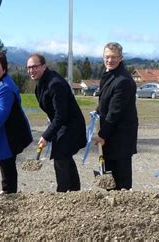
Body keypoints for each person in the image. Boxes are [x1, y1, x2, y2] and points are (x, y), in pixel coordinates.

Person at [27, 53, 85, 192]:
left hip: (71, 126)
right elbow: (53, 111)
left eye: (35, 67)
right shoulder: (41, 83)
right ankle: (75, 191)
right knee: (65, 156)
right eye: (28, 68)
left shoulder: (55, 83)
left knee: (60, 156)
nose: (31, 70)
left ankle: (62, 194)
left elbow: (61, 115)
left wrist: (46, 135)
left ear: (44, 66)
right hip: (62, 124)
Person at [0, 52, 32, 194]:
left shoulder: (5, 87)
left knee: (7, 163)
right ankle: (7, 191)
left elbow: (2, 113)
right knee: (3, 162)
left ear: (4, 68)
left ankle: (10, 194)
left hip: (9, 133)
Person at [94, 42, 138, 191]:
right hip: (111, 134)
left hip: (121, 138)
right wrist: (97, 111)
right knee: (110, 176)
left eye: (114, 57)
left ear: (121, 58)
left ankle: (123, 208)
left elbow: (115, 111)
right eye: (107, 57)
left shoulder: (123, 80)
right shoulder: (108, 75)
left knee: (121, 180)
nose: (110, 60)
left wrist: (102, 134)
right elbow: (105, 101)